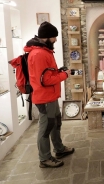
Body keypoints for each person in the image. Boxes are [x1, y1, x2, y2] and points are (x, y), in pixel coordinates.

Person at [24, 21, 74, 168]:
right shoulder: (39, 54)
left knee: (55, 122)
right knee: (45, 127)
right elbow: (45, 80)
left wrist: (59, 72)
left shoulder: (44, 51)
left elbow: (47, 74)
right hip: (44, 97)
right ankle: (44, 158)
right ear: (46, 38)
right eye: (54, 37)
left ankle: (59, 149)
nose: (56, 40)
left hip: (50, 96)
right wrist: (64, 75)